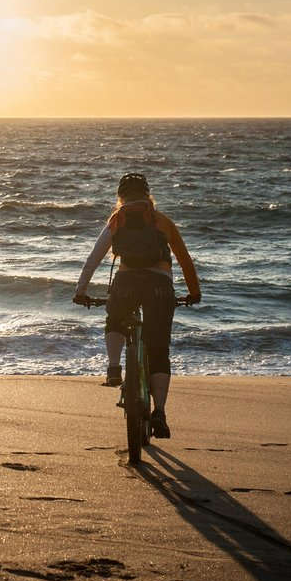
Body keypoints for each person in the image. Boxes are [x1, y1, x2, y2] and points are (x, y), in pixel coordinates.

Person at [72, 172, 201, 438]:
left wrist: (80, 291)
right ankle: (160, 413)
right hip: (159, 287)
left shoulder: (117, 220)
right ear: (147, 195)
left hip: (126, 284)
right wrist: (194, 293)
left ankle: (114, 368)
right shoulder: (161, 221)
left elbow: (93, 258)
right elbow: (185, 260)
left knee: (115, 320)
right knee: (158, 350)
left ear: (120, 197)